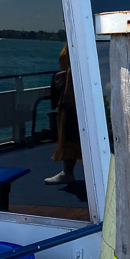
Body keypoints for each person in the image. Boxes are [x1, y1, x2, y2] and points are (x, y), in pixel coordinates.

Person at [46, 45, 82, 185]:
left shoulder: (76, 42)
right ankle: (68, 173)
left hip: (73, 94)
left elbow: (73, 71)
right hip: (68, 91)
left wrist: (68, 97)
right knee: (69, 137)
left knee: (73, 135)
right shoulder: (69, 42)